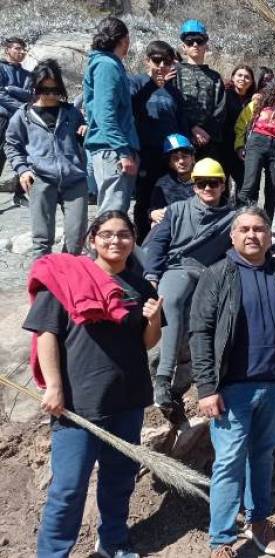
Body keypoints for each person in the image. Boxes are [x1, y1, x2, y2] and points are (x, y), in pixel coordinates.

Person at [24, 211, 163, 558]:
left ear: (134, 240)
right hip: (77, 404)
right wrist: (53, 386)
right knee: (69, 488)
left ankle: (113, 542)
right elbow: (46, 334)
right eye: (107, 234)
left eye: (124, 234)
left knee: (119, 480)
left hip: (127, 399)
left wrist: (154, 319)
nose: (116, 241)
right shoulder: (65, 278)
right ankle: (53, 553)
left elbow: (146, 342)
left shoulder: (140, 285)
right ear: (92, 239)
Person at [190, 206, 275, 558]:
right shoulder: (217, 275)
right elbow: (200, 332)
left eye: (259, 228)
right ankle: (221, 540)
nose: (252, 235)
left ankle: (259, 520)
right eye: (244, 229)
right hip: (231, 388)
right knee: (229, 460)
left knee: (262, 455)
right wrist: (206, 387)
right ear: (232, 236)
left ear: (269, 234)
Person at [142, 158, 234, 422]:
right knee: (170, 301)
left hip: (209, 272)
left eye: (213, 183)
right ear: (194, 186)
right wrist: (151, 276)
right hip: (177, 266)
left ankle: (217, 378)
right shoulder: (177, 210)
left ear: (222, 185)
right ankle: (163, 378)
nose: (208, 188)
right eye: (202, 183)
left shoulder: (231, 217)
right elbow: (158, 243)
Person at [5, 59, 88, 260]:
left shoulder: (71, 112)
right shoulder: (23, 116)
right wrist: (23, 169)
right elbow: (11, 144)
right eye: (44, 89)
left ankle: (68, 282)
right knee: (42, 240)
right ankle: (42, 287)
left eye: (55, 90)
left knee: (76, 238)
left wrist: (85, 131)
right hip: (41, 179)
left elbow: (83, 132)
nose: (50, 95)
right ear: (34, 88)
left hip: (74, 180)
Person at [129, 40, 185, 243]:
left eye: (167, 61)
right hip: (144, 153)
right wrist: (153, 84)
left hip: (169, 155)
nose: (162, 66)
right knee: (144, 200)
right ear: (147, 61)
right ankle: (141, 244)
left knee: (171, 198)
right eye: (157, 60)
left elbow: (181, 123)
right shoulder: (135, 83)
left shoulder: (175, 92)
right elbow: (129, 109)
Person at [83, 16, 140, 214]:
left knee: (115, 210)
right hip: (112, 151)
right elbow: (104, 113)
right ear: (122, 39)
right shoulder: (106, 65)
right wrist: (123, 151)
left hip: (112, 148)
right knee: (112, 212)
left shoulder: (108, 64)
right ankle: (102, 245)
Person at [234, 77, 275, 238]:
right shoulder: (256, 105)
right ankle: (240, 222)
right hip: (256, 143)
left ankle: (265, 228)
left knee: (272, 189)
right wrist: (239, 146)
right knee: (249, 185)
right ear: (272, 92)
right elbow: (240, 125)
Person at [174, 19, 226, 161]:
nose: (195, 44)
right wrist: (191, 128)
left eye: (199, 41)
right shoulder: (175, 73)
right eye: (190, 42)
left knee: (208, 181)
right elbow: (173, 105)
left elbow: (220, 110)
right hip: (181, 141)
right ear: (183, 47)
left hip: (209, 142)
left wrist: (205, 132)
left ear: (205, 45)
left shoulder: (215, 77)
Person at [0, 36, 32, 207]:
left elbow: (30, 94)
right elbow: (0, 94)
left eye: (22, 49)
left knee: (25, 154)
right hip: (3, 118)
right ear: (7, 50)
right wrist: (21, 106)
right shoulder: (1, 68)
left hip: (21, 120)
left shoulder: (28, 74)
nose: (21, 52)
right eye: (17, 49)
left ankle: (20, 194)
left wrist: (11, 88)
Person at [219, 64, 256, 190]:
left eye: (247, 77)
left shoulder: (254, 100)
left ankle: (243, 210)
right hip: (224, 145)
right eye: (239, 75)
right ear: (233, 77)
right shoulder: (224, 94)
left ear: (251, 82)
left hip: (245, 147)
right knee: (222, 183)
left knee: (244, 184)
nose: (243, 79)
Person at [149, 133, 195, 225]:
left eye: (185, 156)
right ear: (170, 163)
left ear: (193, 158)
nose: (181, 161)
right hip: (175, 225)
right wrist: (152, 213)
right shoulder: (163, 184)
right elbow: (155, 208)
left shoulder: (203, 177)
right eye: (175, 158)